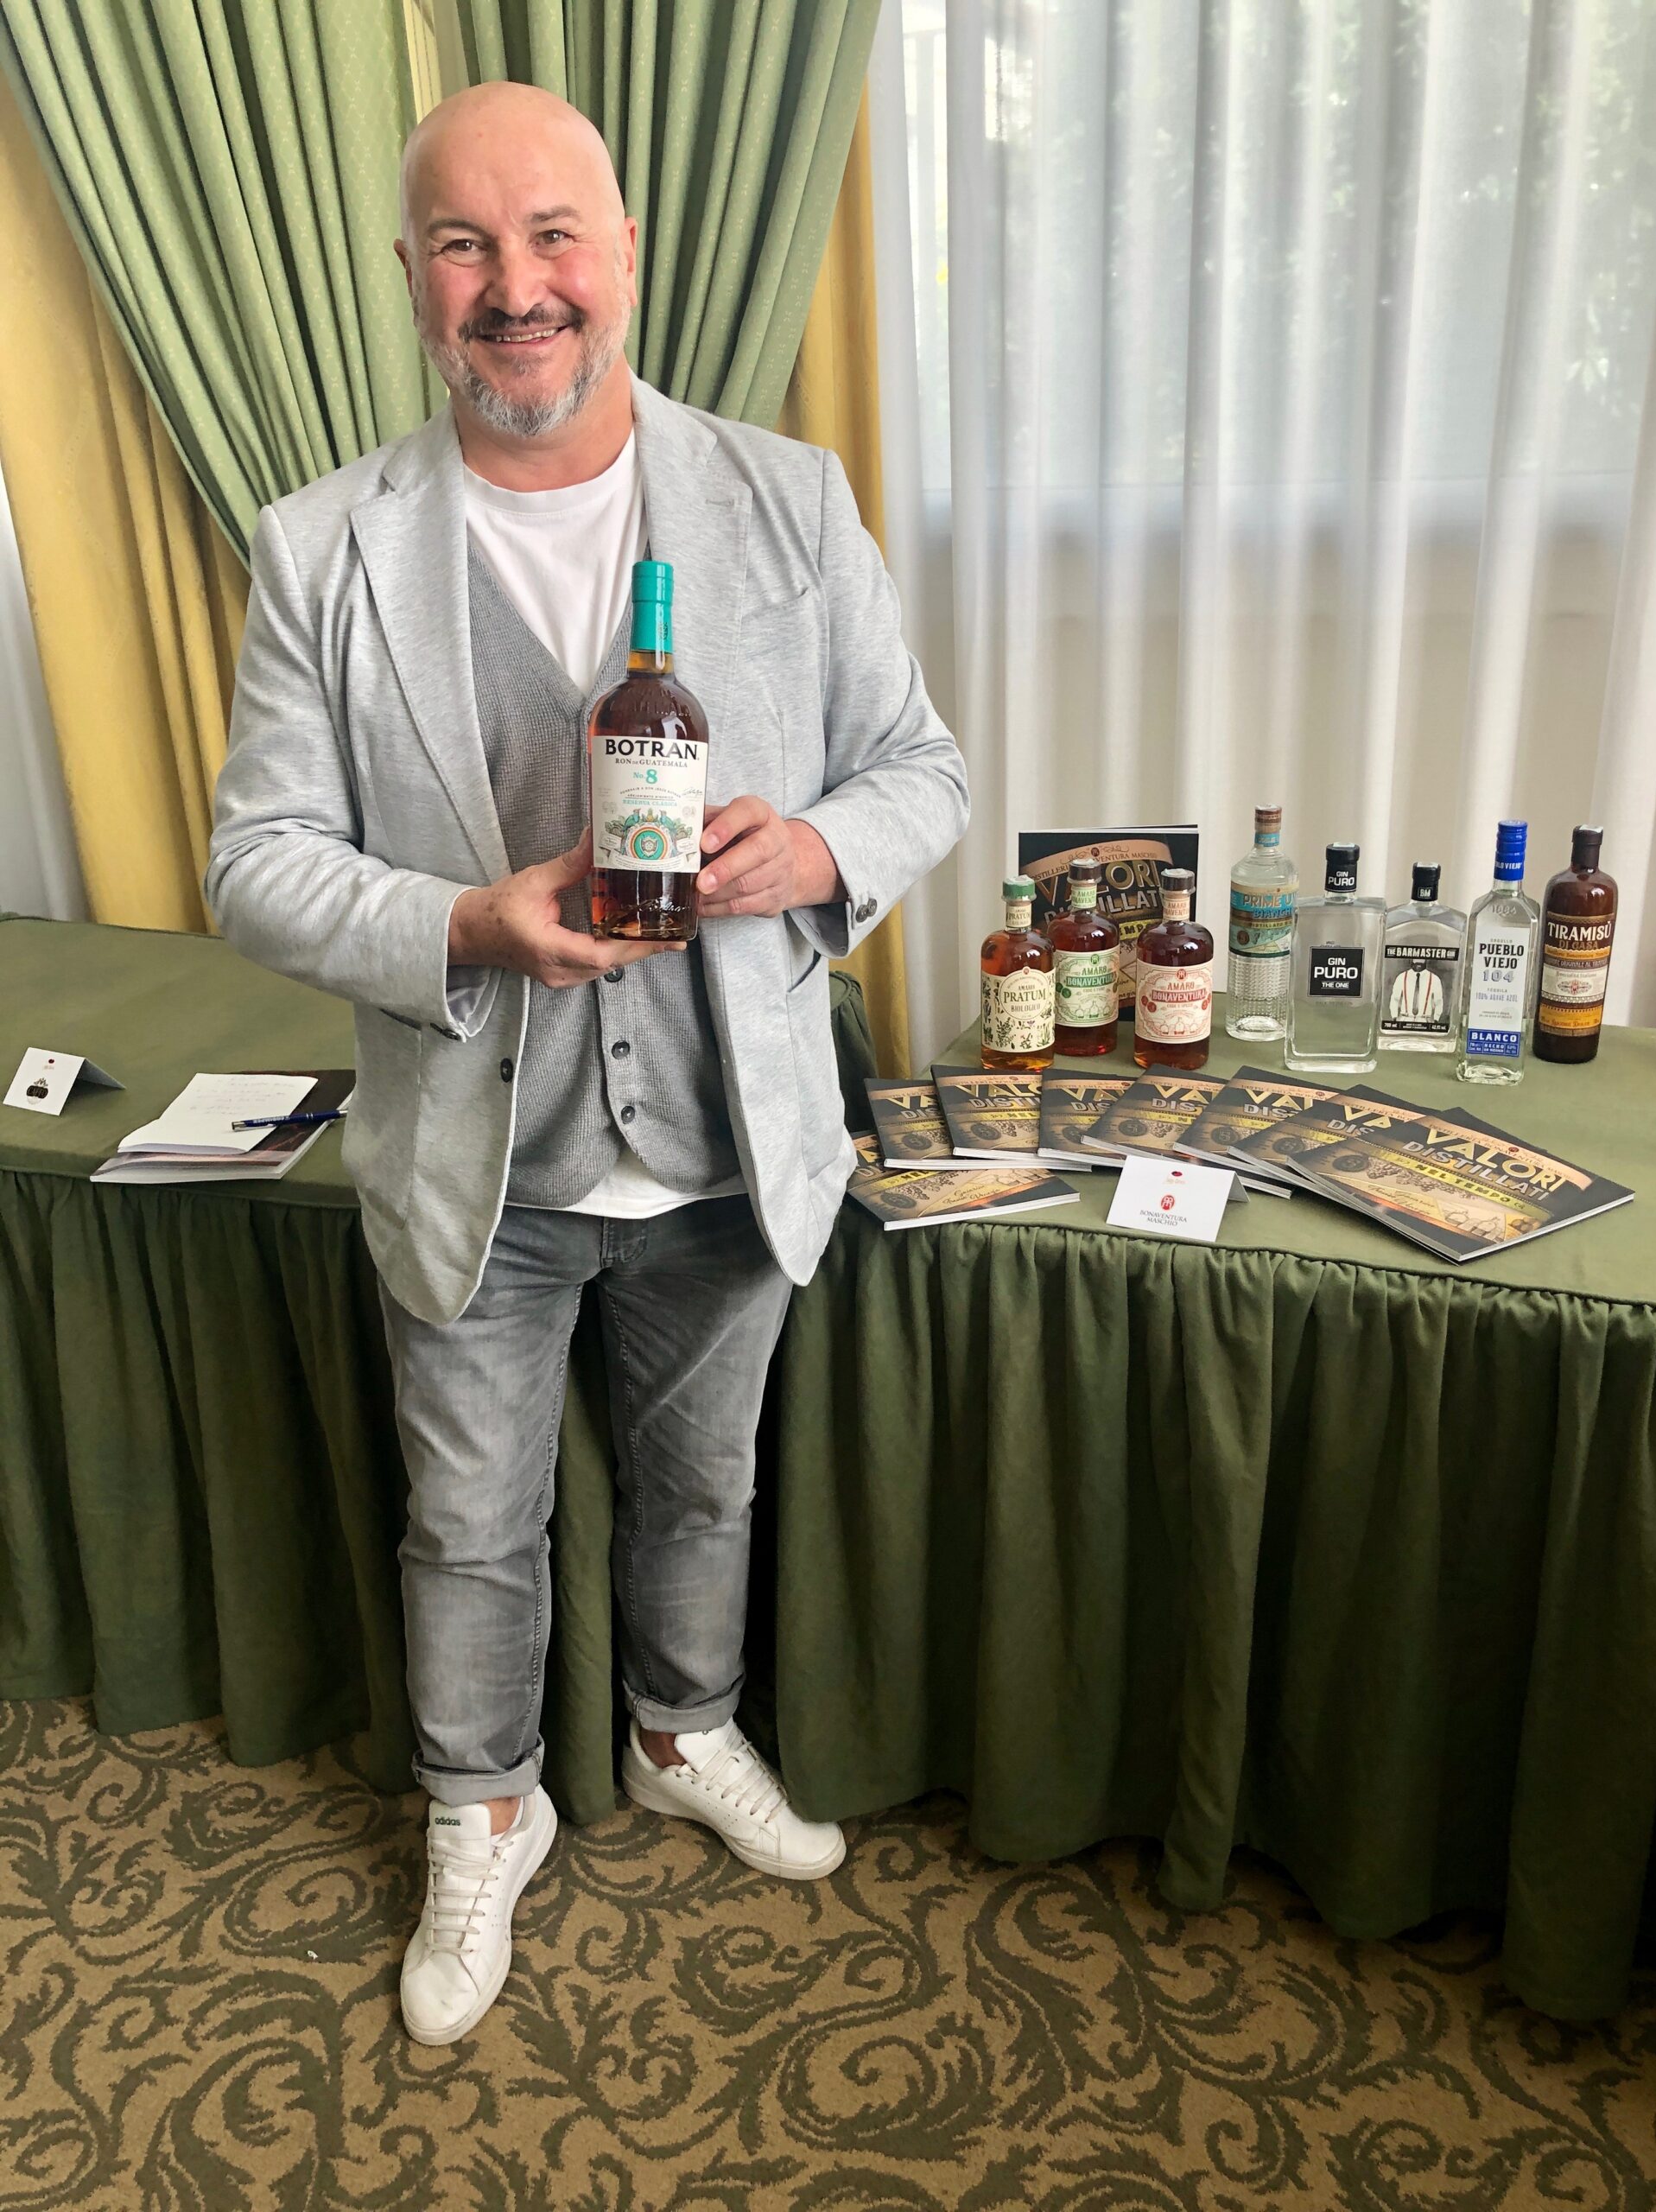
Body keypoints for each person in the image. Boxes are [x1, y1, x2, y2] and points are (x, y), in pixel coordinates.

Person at [205, 80, 968, 2046]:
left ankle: (679, 1731)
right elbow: (256, 863)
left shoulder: (790, 499)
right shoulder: (321, 549)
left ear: (623, 252)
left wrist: (813, 851)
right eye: (466, 244)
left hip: (730, 1145)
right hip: (481, 1156)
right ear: (414, 276)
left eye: (553, 234)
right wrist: (469, 919)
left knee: (704, 1490)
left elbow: (923, 771)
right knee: (467, 1523)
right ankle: (484, 1805)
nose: (516, 284)